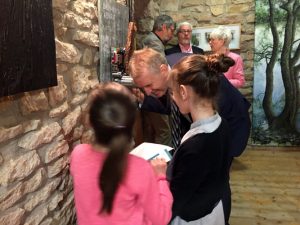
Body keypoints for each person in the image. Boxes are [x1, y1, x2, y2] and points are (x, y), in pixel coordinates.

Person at [128, 48, 251, 225]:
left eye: (148, 85)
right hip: (207, 134)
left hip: (229, 128)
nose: (147, 92)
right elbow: (175, 107)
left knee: (217, 182)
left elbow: (176, 201)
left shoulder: (197, 75)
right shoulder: (188, 99)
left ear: (163, 70)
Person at [70, 82, 173, 225]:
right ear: (131, 124)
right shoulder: (140, 168)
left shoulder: (78, 155)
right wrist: (161, 177)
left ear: (90, 121)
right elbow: (161, 218)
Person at [167, 54, 233, 225]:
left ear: (183, 92)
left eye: (173, 92)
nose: (173, 98)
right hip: (213, 211)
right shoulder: (222, 125)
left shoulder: (196, 146)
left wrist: (160, 176)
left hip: (193, 218)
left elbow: (174, 202)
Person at [138, 14, 176, 146]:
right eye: (171, 30)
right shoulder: (153, 41)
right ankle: (164, 164)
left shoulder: (153, 40)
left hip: (150, 92)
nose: (172, 35)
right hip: (155, 93)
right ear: (164, 27)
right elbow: (162, 69)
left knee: (151, 130)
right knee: (163, 131)